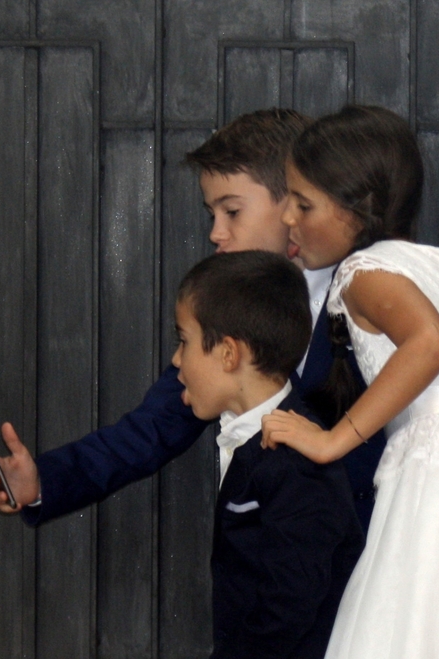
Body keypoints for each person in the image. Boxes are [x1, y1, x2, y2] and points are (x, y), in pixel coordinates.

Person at [0, 108, 383, 530]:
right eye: (212, 215)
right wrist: (44, 482)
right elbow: (151, 429)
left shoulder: (372, 289)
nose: (215, 233)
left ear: (294, 200)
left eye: (232, 211)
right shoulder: (222, 310)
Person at [261, 104, 439, 658]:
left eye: (303, 203)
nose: (287, 217)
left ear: (358, 209)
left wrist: (333, 440)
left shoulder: (363, 271)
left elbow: (430, 344)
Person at [172, 250, 364, 658]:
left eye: (184, 341)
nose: (176, 359)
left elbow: (291, 600)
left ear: (228, 354)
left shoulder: (295, 460)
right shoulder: (254, 441)